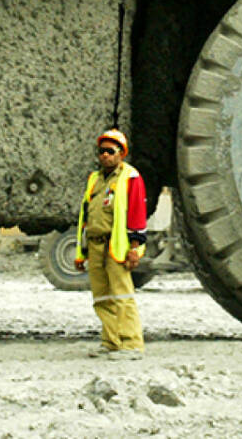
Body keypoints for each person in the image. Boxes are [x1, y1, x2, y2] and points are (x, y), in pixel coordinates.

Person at [74, 128, 147, 359]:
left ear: (121, 153)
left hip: (116, 247)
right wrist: (81, 252)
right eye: (101, 151)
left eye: (110, 151)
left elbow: (136, 213)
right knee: (101, 297)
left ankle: (131, 344)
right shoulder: (95, 180)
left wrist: (134, 248)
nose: (105, 155)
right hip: (95, 246)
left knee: (122, 296)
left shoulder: (130, 178)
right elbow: (85, 216)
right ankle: (111, 341)